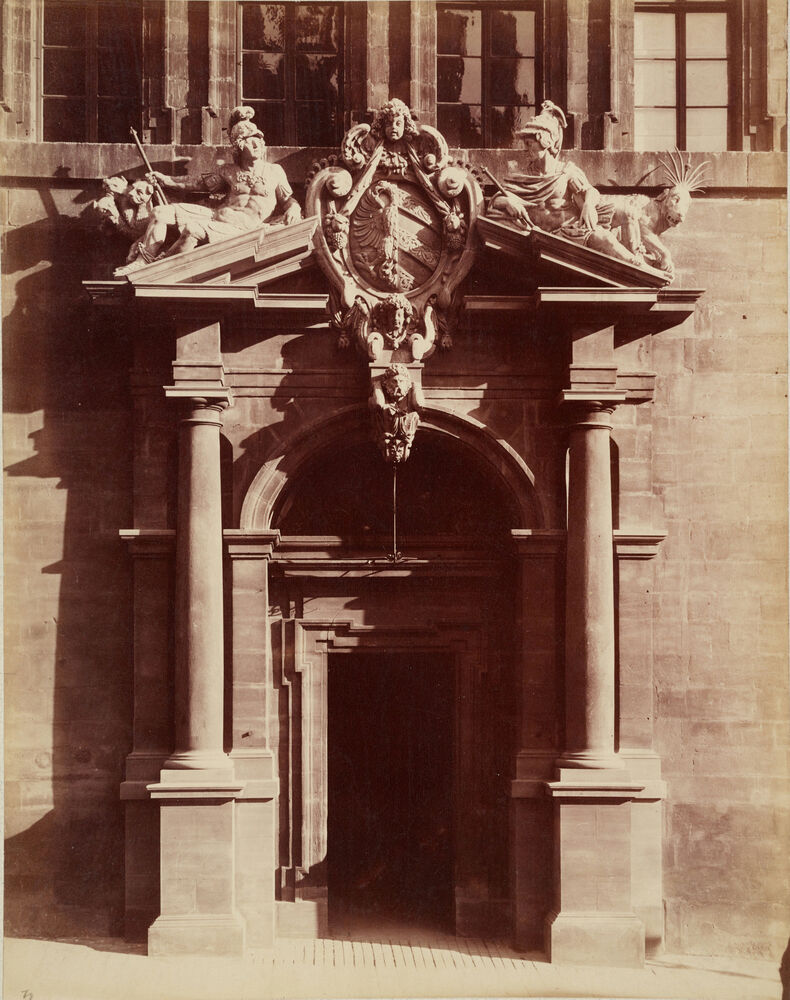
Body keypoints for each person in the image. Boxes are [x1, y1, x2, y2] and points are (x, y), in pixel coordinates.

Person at [115, 106, 302, 275]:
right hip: (214, 216)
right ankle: (142, 261)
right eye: (250, 141)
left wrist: (294, 208)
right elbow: (198, 183)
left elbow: (288, 200)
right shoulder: (228, 171)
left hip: (241, 230)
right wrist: (166, 180)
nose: (257, 145)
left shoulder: (274, 171)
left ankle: (161, 267)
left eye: (258, 141)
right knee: (160, 212)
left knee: (192, 229)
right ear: (238, 146)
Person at [487, 101, 642, 266]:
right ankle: (637, 268)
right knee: (605, 239)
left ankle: (640, 264)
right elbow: (497, 199)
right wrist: (508, 202)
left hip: (573, 228)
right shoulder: (524, 177)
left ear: (545, 141)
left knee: (617, 226)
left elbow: (590, 191)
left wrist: (588, 205)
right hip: (549, 237)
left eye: (529, 144)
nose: (525, 149)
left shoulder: (565, 172)